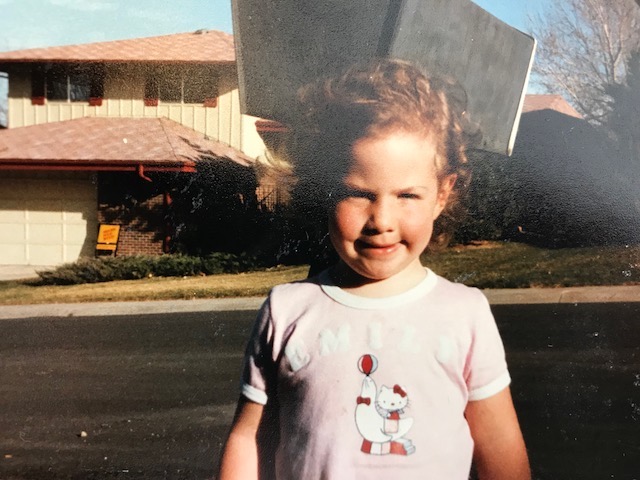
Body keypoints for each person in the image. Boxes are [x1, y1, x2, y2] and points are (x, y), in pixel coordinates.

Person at [218, 59, 530, 480]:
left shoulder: (464, 313)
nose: (381, 219)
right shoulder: (287, 311)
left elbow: (501, 449)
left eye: (407, 195)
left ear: (442, 192)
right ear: (323, 190)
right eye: (359, 194)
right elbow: (249, 440)